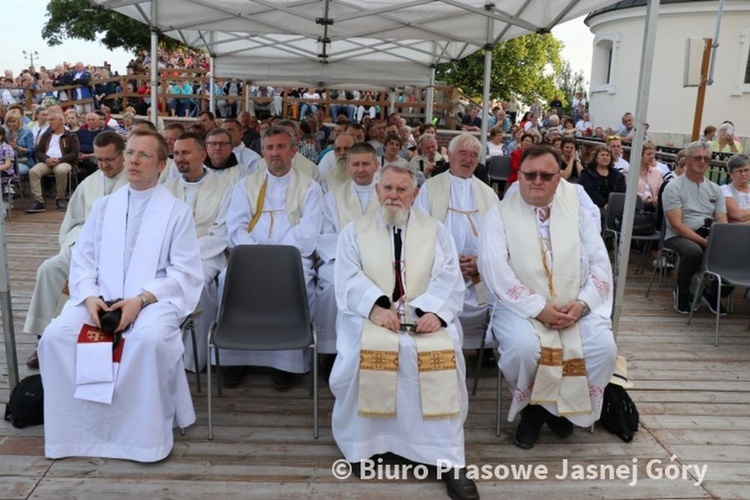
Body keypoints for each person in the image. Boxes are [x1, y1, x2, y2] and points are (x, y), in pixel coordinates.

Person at [38, 130, 204, 462]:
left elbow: (184, 272)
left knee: (147, 343)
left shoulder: (176, 212)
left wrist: (140, 300)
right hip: (100, 299)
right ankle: (76, 434)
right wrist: (87, 298)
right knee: (56, 337)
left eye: (143, 155)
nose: (133, 160)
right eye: (130, 153)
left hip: (150, 302)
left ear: (160, 165)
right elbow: (83, 261)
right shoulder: (103, 207)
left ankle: (141, 440)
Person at [330, 161, 478, 500]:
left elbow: (449, 279)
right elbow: (349, 278)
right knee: (361, 354)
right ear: (378, 190)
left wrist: (434, 313)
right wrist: (375, 307)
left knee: (440, 354)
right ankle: (367, 444)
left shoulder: (436, 231)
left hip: (423, 316)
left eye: (402, 189)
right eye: (388, 188)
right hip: (372, 317)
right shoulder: (355, 231)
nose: (393, 196)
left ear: (414, 194)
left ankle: (449, 458)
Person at [478, 144, 617, 450]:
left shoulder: (579, 215)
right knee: (523, 349)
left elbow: (600, 264)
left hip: (574, 307)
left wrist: (582, 305)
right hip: (520, 308)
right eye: (530, 174)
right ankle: (540, 412)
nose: (537, 180)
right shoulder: (498, 216)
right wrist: (540, 308)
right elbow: (495, 271)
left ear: (559, 179)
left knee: (603, 349)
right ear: (519, 177)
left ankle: (540, 412)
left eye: (546, 175)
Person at [219, 125, 323, 389]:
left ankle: (285, 363)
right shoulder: (246, 185)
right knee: (224, 280)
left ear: (293, 151)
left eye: (280, 147)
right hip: (250, 255)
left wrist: (278, 257)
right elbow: (236, 225)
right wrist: (255, 254)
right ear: (262, 151)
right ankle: (234, 358)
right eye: (269, 147)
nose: (274, 153)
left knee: (300, 287)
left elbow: (309, 229)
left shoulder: (310, 187)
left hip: (292, 257)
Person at [24, 131, 129, 369]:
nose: (103, 165)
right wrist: (76, 246)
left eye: (109, 159)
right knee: (49, 269)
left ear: (122, 155)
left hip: (119, 256)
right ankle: (44, 341)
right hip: (84, 249)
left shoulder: (134, 182)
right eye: (99, 160)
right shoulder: (88, 184)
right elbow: (72, 223)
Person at [414, 133, 499, 346]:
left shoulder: (488, 194)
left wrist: (479, 264)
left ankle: (484, 345)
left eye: (473, 155)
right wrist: (450, 265)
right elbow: (419, 235)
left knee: (496, 301)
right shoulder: (430, 189)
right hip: (439, 273)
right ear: (450, 155)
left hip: (479, 275)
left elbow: (499, 238)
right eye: (462, 153)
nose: (468, 160)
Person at [164, 132, 232, 372]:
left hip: (208, 255)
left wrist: (188, 254)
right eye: (177, 153)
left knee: (197, 281)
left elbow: (222, 232)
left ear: (202, 154)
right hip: (169, 255)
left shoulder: (224, 188)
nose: (179, 158)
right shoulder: (166, 189)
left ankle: (193, 359)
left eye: (186, 152)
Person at [313, 142, 380, 369]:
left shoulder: (388, 193)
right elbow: (325, 234)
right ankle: (330, 351)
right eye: (356, 164)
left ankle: (376, 348)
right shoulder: (332, 198)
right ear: (348, 167)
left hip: (380, 261)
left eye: (366, 164)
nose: (361, 169)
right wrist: (350, 261)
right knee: (331, 287)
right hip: (340, 262)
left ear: (376, 165)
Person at [663, 141, 728, 314]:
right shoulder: (673, 187)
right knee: (694, 252)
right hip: (678, 236)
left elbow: (722, 218)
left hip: (708, 233)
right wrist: (705, 242)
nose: (702, 162)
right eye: (698, 158)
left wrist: (720, 240)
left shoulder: (716, 189)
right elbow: (676, 224)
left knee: (739, 252)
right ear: (688, 159)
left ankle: (713, 293)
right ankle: (682, 292)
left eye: (707, 159)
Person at [27, 110, 80, 213]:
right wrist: (46, 159)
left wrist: (59, 160)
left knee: (61, 171)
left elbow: (74, 153)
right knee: (33, 171)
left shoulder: (71, 136)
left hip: (64, 162)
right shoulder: (46, 135)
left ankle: (60, 199)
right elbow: (38, 151)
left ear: (60, 121)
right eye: (49, 120)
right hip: (47, 161)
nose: (49, 122)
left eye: (52, 120)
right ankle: (39, 201)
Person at [578, 144, 626, 215]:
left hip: (614, 207)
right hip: (593, 206)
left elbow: (622, 191)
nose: (605, 157)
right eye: (602, 155)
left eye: (607, 155)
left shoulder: (618, 175)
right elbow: (589, 191)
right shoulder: (587, 173)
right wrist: (603, 204)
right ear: (596, 158)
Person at [722, 154, 750, 222]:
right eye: (739, 171)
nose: (743, 174)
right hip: (737, 230)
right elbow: (737, 215)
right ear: (730, 174)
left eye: (746, 170)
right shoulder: (725, 190)